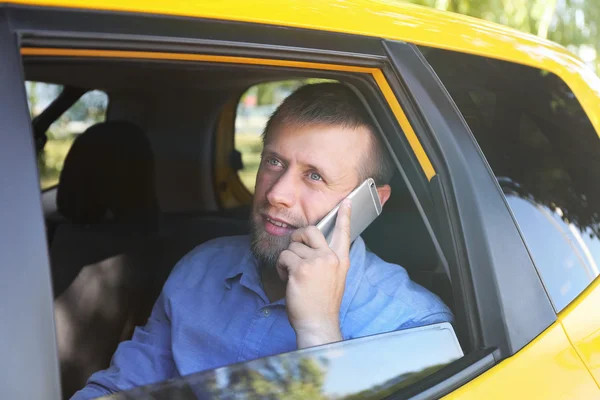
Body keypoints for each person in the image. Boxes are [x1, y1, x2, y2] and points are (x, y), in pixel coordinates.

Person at [72, 83, 453, 399]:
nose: (277, 194)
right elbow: (121, 387)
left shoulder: (415, 326)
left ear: (372, 202)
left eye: (315, 176)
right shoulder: (199, 269)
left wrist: (319, 330)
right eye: (274, 162)